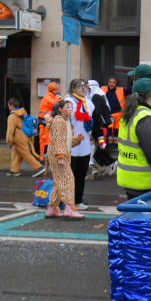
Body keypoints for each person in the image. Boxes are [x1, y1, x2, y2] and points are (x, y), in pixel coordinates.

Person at [45, 99, 86, 219]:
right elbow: (58, 140)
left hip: (59, 155)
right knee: (68, 180)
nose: (71, 110)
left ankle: (51, 208)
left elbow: (66, 142)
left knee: (60, 182)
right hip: (59, 156)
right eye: (68, 107)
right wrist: (61, 156)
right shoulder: (60, 121)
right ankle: (69, 208)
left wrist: (77, 139)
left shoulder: (65, 121)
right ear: (60, 109)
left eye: (71, 108)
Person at [64, 79, 94, 211]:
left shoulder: (88, 102)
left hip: (84, 143)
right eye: (79, 86)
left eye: (84, 86)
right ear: (72, 89)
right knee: (70, 175)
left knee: (81, 174)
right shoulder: (68, 102)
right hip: (71, 144)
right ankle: (67, 201)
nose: (83, 88)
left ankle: (78, 200)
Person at [4, 97, 44, 177]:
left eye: (9, 106)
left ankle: (38, 167)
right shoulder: (23, 113)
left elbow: (10, 130)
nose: (8, 108)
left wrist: (9, 141)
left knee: (25, 153)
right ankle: (14, 170)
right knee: (16, 153)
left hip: (18, 138)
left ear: (12, 106)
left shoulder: (12, 116)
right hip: (26, 136)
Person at [87, 79, 116, 177]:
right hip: (99, 124)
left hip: (99, 125)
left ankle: (109, 163)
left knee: (98, 146)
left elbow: (96, 111)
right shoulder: (99, 95)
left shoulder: (96, 96)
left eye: (89, 88)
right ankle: (100, 166)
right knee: (97, 146)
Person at [38, 81, 62, 161]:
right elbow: (56, 104)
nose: (59, 89)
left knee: (48, 140)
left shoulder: (52, 96)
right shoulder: (48, 97)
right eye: (58, 88)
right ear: (53, 90)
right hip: (44, 122)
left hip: (46, 122)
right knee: (45, 140)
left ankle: (46, 156)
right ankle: (43, 157)